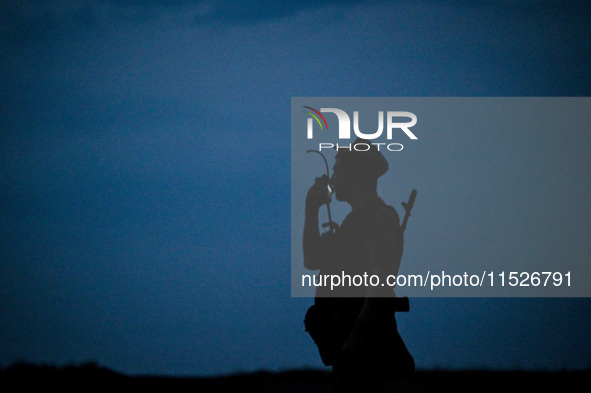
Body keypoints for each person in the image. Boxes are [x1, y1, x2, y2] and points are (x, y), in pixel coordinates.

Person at [303, 138, 414, 392]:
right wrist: (312, 209)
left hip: (367, 357)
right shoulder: (354, 223)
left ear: (354, 174)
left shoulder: (377, 219)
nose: (332, 179)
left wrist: (355, 341)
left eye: (338, 171)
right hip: (350, 354)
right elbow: (311, 260)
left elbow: (381, 284)